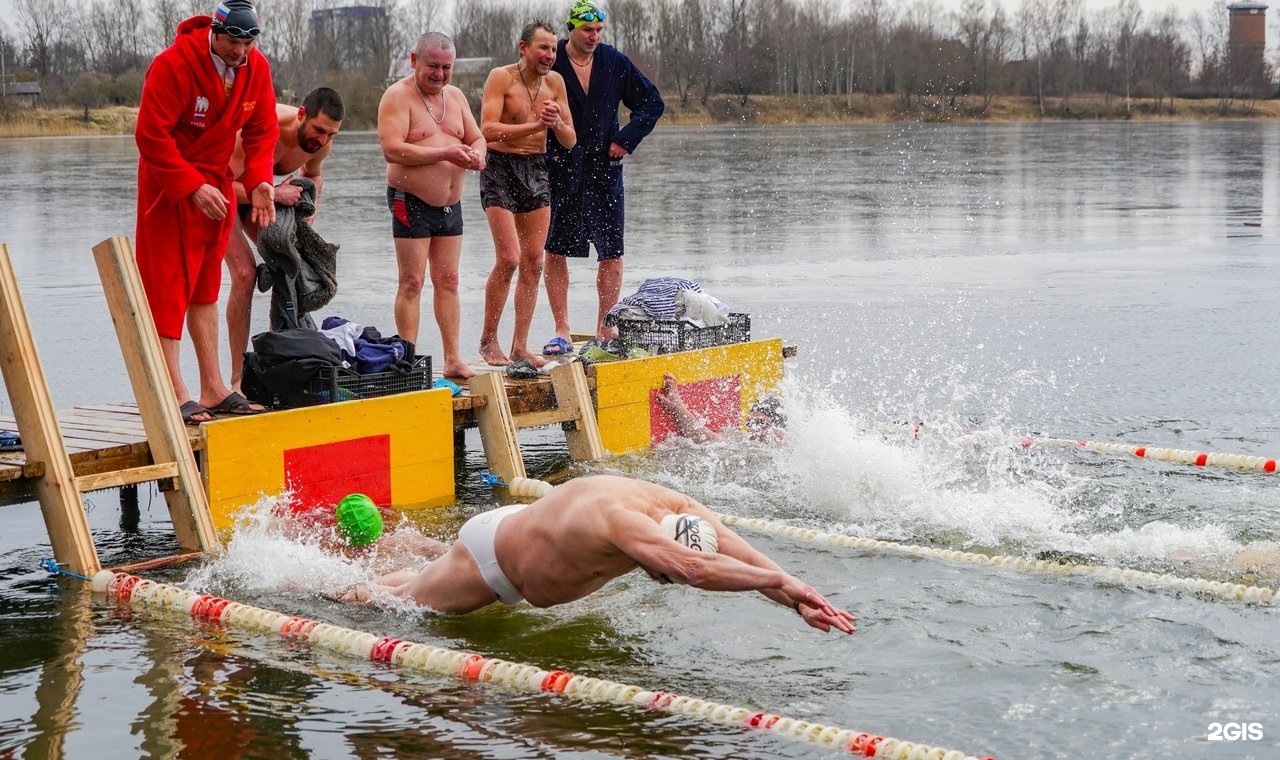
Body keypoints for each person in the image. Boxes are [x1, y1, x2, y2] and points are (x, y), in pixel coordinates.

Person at [334, 474, 855, 634]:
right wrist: (780, 589)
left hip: (515, 534)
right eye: (660, 573)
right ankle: (313, 588)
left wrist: (798, 595)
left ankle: (399, 549)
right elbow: (695, 569)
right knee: (395, 602)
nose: (659, 579)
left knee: (422, 577)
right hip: (494, 563)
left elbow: (743, 556)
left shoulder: (676, 508)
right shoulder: (622, 522)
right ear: (655, 552)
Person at [134, 0, 278, 425]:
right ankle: (174, 389)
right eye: (233, 41)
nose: (239, 52)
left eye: (246, 44)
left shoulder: (256, 68)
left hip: (216, 183)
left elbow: (263, 129)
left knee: (204, 284)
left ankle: (213, 386)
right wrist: (189, 186)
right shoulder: (173, 64)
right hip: (170, 186)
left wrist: (260, 182)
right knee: (167, 285)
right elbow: (150, 136)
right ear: (215, 32)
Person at [540, 1, 665, 356]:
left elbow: (652, 103)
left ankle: (605, 327)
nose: (594, 37)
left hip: (604, 169)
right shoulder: (553, 63)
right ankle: (561, 329)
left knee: (611, 252)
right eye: (587, 30)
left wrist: (625, 140)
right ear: (571, 29)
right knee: (555, 249)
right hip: (559, 168)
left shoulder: (615, 62)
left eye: (598, 31)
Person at [379, 32, 487, 379]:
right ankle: (406, 362)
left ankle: (453, 358)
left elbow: (477, 137)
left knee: (450, 280)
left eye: (446, 67)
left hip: (450, 206)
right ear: (414, 61)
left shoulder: (455, 97)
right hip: (410, 201)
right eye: (432, 67)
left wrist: (479, 155)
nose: (439, 74)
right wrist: (445, 152)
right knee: (412, 281)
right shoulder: (397, 97)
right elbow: (392, 150)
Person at [224, 87, 345, 392]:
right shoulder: (263, 129)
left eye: (331, 134)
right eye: (319, 130)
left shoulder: (321, 144)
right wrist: (276, 193)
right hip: (222, 196)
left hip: (256, 197)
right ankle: (237, 379)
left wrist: (309, 210)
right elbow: (220, 185)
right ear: (301, 114)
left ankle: (278, 365)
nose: (322, 140)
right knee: (245, 274)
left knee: (290, 269)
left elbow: (313, 174)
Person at [477, 22, 577, 367]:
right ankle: (489, 341)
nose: (550, 55)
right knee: (509, 258)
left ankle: (519, 346)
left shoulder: (556, 83)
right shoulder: (500, 77)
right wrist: (536, 125)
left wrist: (556, 124)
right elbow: (487, 129)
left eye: (553, 49)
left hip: (536, 169)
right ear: (524, 47)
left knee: (534, 261)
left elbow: (570, 139)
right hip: (499, 168)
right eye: (543, 48)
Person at [655, 373, 786, 444]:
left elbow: (708, 438)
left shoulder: (779, 451)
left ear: (779, 430)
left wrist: (677, 406)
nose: (753, 430)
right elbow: (711, 438)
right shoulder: (749, 441)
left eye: (760, 424)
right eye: (750, 423)